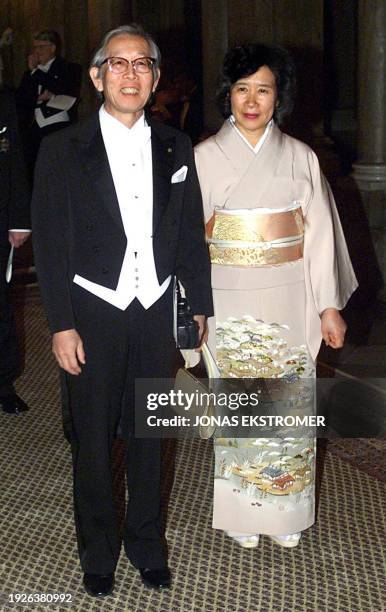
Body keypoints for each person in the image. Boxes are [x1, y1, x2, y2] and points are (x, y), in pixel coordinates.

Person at [32, 24, 212, 596]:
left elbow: (187, 231)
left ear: (155, 77)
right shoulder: (63, 147)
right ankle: (99, 551)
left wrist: (198, 303)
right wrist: (61, 322)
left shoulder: (175, 145)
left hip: (156, 306)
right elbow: (50, 238)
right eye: (117, 63)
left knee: (149, 435)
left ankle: (147, 544)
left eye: (142, 64)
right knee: (92, 440)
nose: (130, 74)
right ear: (96, 75)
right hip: (94, 309)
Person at [194, 44, 357, 548]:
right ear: (228, 95)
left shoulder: (300, 157)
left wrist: (328, 305)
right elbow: (185, 242)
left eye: (263, 89)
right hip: (229, 292)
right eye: (242, 89)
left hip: (290, 295)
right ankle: (243, 510)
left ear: (277, 97)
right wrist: (193, 307)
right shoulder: (203, 158)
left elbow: (322, 236)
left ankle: (285, 512)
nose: (251, 100)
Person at [0, 85, 31, 414]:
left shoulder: (4, 99)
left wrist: (19, 219)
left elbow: (15, 157)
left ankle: (3, 381)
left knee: (1, 306)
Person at [16, 30, 82, 178]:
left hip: (58, 127)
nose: (37, 52)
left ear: (53, 48)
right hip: (33, 129)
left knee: (58, 171)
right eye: (35, 47)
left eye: (41, 47)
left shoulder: (69, 68)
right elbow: (21, 99)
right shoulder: (29, 74)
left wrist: (36, 74)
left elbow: (64, 89)